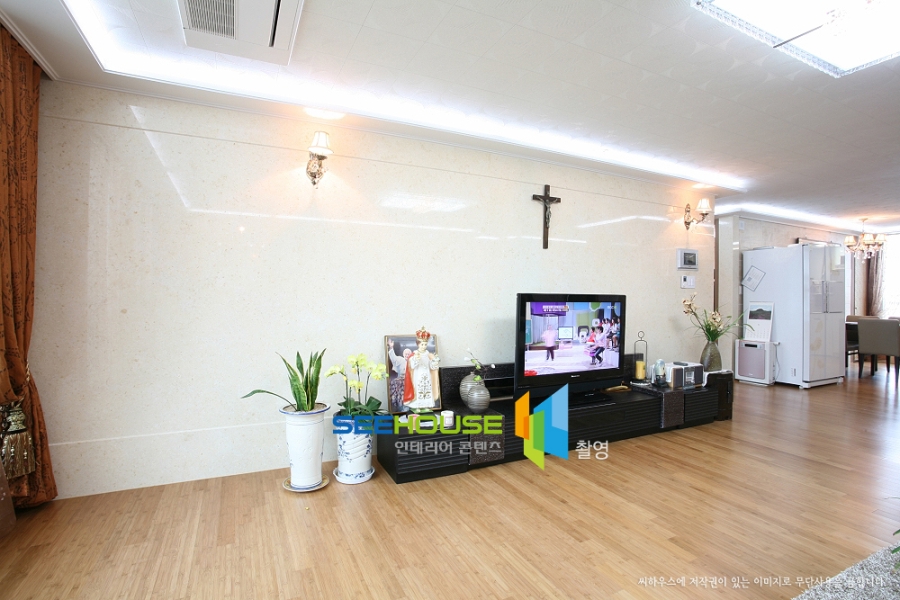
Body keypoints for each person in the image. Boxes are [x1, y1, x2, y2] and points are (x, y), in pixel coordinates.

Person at [403, 327, 441, 412]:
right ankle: (417, 406)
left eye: (425, 344)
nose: (424, 346)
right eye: (422, 344)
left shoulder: (428, 354)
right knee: (418, 389)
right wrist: (416, 359)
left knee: (427, 389)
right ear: (418, 344)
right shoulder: (415, 354)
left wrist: (434, 363)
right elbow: (411, 366)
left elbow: (431, 366)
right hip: (418, 376)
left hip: (427, 376)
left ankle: (426, 405)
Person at [387, 339, 413, 413]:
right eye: (406, 354)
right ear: (403, 354)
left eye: (408, 354)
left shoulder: (413, 362)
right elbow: (393, 358)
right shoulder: (400, 360)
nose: (407, 355)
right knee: (400, 396)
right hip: (401, 382)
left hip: (411, 383)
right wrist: (391, 347)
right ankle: (401, 409)